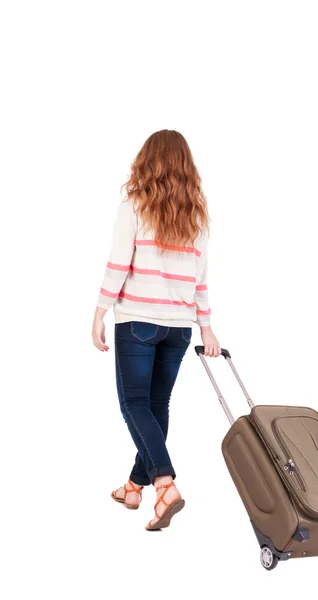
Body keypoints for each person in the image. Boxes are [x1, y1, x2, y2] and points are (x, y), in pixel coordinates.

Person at [92, 130, 221, 530]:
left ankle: (164, 484)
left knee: (134, 404)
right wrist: (206, 328)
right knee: (156, 406)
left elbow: (118, 264)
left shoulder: (134, 204)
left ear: (146, 160)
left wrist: (99, 312)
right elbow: (200, 280)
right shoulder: (197, 215)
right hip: (178, 330)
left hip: (138, 321)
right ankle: (134, 485)